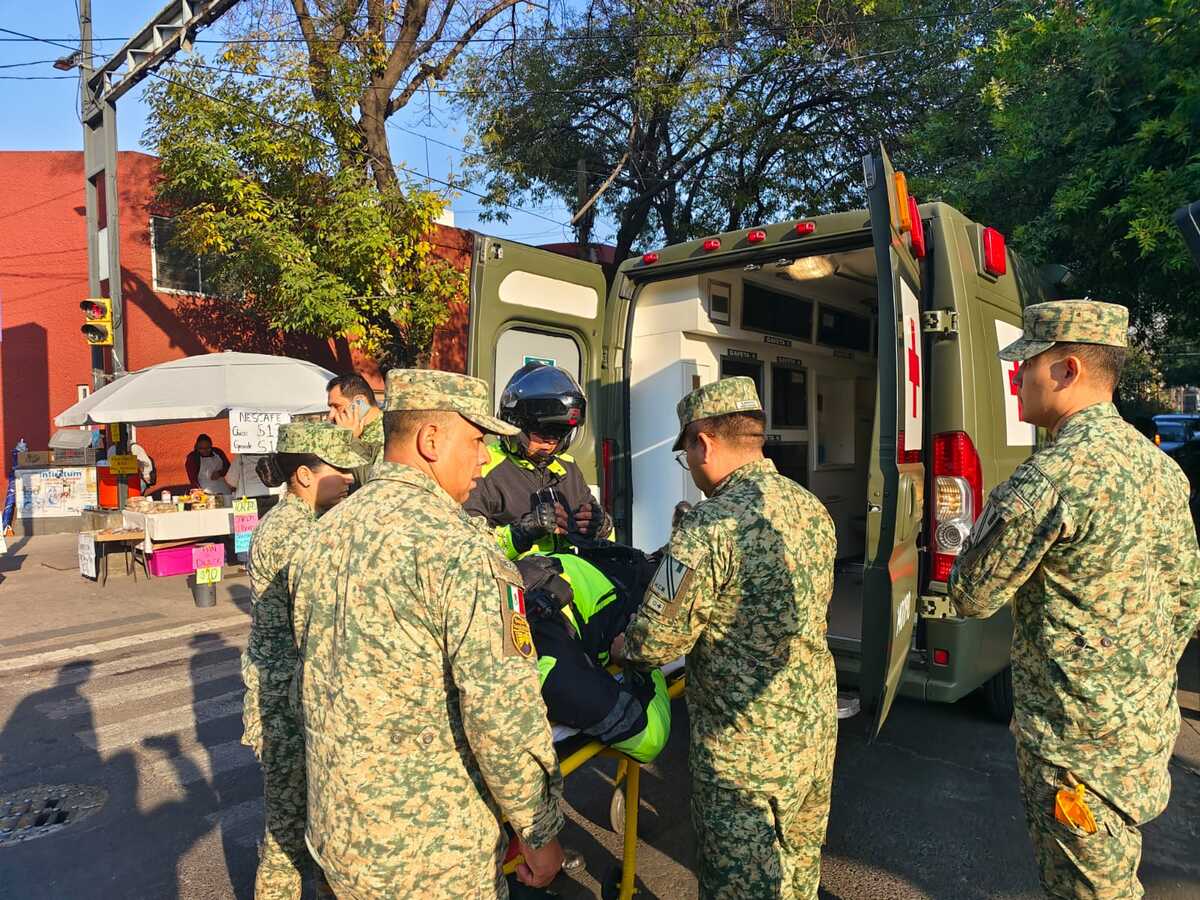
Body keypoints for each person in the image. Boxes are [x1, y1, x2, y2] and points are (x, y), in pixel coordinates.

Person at [947, 300, 1200, 899]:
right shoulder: (1159, 468)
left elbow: (971, 592)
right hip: (1140, 734)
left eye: (1025, 365)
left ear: (1065, 370)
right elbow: (1187, 601)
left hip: (1075, 751)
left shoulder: (1052, 477)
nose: (1017, 378)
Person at [293, 369, 565, 900]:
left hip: (339, 838)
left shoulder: (322, 534)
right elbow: (502, 711)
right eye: (477, 440)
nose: (484, 458)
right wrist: (540, 830)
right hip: (432, 859)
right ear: (431, 440)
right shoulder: (461, 550)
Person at [612, 376, 838, 900]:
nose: (689, 467)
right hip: (813, 735)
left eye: (685, 453)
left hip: (744, 755)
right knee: (798, 873)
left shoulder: (707, 527)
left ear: (704, 443)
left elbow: (656, 641)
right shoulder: (811, 509)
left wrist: (625, 646)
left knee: (739, 887)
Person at [240, 423, 366, 900]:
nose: (350, 479)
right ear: (304, 475)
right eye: (339, 469)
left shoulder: (309, 524)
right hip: (285, 704)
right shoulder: (292, 532)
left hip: (299, 693)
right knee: (288, 832)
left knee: (317, 826)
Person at [517, 547, 670, 763]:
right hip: (585, 571)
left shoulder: (559, 680)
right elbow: (649, 739)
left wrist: (638, 657)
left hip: (634, 586)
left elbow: (649, 738)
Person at [465, 363, 612, 559]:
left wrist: (601, 527)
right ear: (515, 424)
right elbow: (466, 549)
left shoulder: (567, 468)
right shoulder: (484, 468)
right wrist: (521, 532)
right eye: (543, 430)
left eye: (560, 432)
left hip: (565, 578)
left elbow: (598, 538)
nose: (551, 440)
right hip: (514, 582)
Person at [325, 373, 384, 489]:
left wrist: (351, 441)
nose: (331, 415)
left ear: (359, 402)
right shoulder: (341, 432)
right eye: (330, 408)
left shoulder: (389, 432)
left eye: (337, 406)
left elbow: (374, 485)